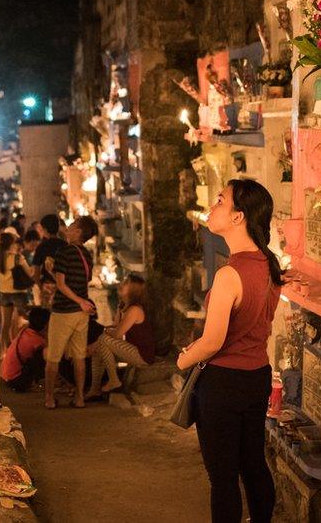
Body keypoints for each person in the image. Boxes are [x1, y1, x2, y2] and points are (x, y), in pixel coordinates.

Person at [176, 179, 284, 523]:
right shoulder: (270, 263)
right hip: (257, 378)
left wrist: (184, 358)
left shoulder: (230, 274)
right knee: (253, 463)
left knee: (222, 477)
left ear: (238, 217)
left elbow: (213, 342)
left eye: (220, 201)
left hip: (223, 384)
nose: (212, 206)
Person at [44, 215, 98, 409]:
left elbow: (61, 283)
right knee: (79, 358)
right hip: (81, 315)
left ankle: (49, 398)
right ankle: (80, 398)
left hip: (63, 311)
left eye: (73, 225)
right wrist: (82, 302)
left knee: (53, 357)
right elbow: (84, 279)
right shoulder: (87, 255)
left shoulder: (64, 252)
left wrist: (79, 301)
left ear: (78, 231)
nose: (68, 226)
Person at [85, 274, 154, 398]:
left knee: (103, 339)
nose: (122, 284)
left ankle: (114, 380)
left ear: (133, 289)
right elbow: (115, 327)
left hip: (142, 355)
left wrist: (105, 332)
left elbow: (117, 334)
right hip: (130, 349)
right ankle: (94, 389)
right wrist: (118, 311)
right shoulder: (124, 306)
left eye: (126, 283)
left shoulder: (135, 310)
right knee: (99, 349)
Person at [0, 233, 34, 352]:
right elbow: (30, 273)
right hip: (19, 293)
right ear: (12, 244)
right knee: (28, 320)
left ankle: (5, 351)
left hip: (4, 294)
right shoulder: (18, 258)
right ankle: (23, 346)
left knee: (5, 324)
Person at [1, 306, 50, 392]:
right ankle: (33, 383)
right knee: (44, 353)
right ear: (45, 325)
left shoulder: (26, 331)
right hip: (16, 381)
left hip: (7, 377)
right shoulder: (36, 340)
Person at [32, 214, 68, 308]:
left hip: (48, 288)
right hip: (65, 288)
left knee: (48, 319)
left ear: (45, 230)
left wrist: (41, 287)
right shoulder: (65, 245)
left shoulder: (41, 247)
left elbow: (35, 274)